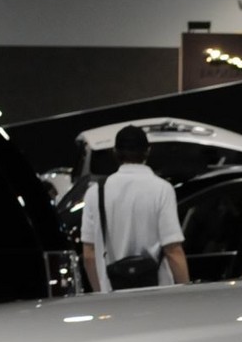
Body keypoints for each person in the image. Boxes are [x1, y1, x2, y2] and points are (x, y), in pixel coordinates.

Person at [81, 125, 191, 293]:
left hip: (113, 298)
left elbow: (89, 254)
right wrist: (187, 292)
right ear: (148, 151)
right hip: (158, 295)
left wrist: (101, 292)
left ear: (115, 152)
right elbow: (173, 250)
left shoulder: (95, 193)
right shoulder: (162, 189)